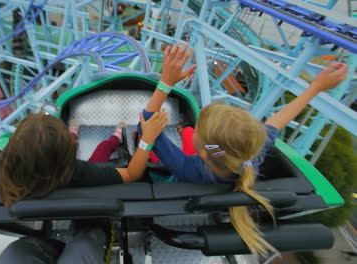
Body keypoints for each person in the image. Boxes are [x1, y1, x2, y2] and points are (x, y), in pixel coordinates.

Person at [139, 43, 348, 256]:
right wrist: (316, 87)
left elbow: (144, 123)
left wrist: (166, 81)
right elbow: (277, 121)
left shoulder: (188, 168)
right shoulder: (250, 159)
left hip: (175, 195)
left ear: (202, 152)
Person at [0, 104, 168, 207]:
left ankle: (76, 133)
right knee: (103, 150)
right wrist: (147, 140)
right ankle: (110, 136)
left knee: (99, 149)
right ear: (68, 156)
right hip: (83, 183)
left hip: (54, 180)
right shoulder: (80, 172)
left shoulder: (0, 166)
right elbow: (131, 174)